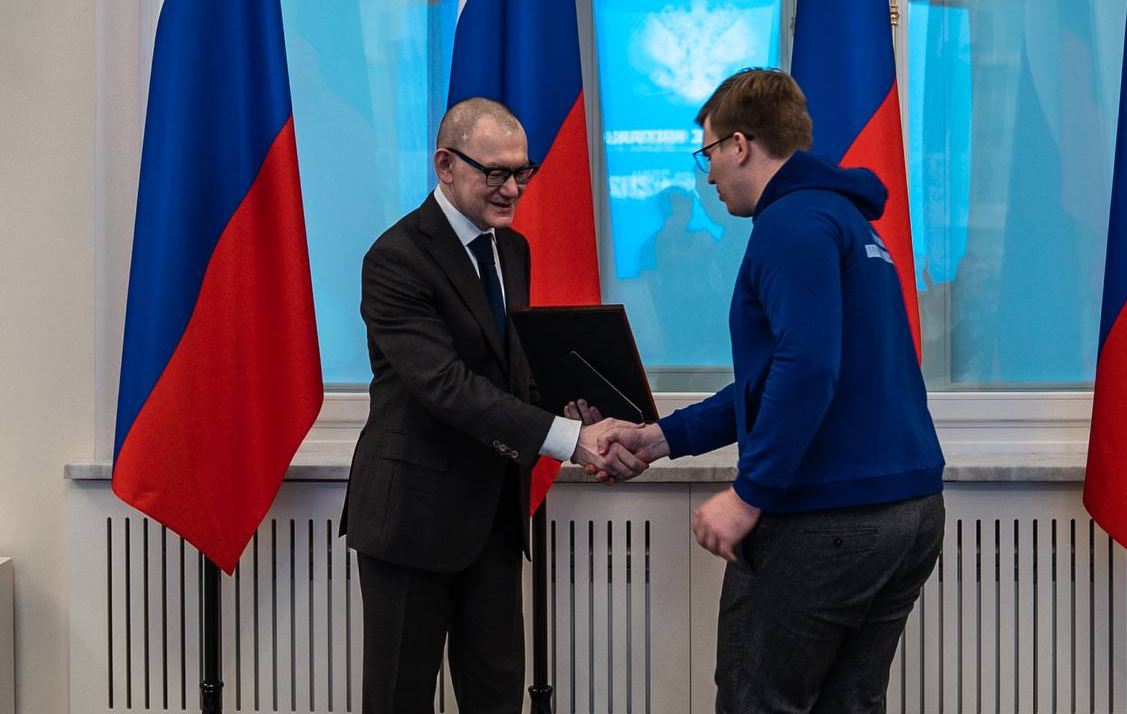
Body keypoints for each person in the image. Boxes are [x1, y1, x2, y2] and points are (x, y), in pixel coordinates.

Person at [596, 69, 947, 713]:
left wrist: (749, 493)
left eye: (707, 152)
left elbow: (806, 370)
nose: (706, 175)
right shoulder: (844, 219)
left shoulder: (790, 224)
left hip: (829, 516)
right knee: (849, 704)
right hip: (908, 512)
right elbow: (780, 377)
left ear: (739, 145)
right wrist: (661, 437)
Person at [340, 96, 645, 714]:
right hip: (411, 522)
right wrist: (567, 440)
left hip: (495, 521)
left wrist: (576, 411)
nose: (512, 189)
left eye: (522, 172)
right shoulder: (395, 257)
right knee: (399, 699)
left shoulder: (512, 249)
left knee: (498, 697)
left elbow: (508, 376)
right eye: (496, 173)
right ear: (445, 165)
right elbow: (447, 386)